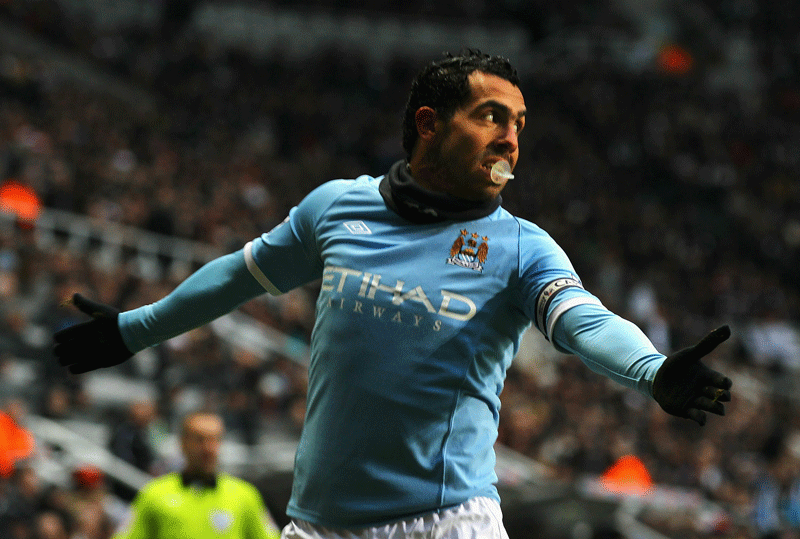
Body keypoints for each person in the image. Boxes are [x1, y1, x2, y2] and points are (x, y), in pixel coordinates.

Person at [54, 50, 733, 539]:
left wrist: (651, 370)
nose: (511, 140)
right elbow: (236, 275)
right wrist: (132, 330)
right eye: (492, 117)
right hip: (318, 525)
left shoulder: (522, 246)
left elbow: (582, 319)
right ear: (430, 123)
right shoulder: (336, 209)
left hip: (445, 523)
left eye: (520, 124)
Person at [110, 412, 281, 539]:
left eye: (214, 440)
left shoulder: (245, 495)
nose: (208, 448)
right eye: (199, 439)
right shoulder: (154, 493)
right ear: (183, 443)